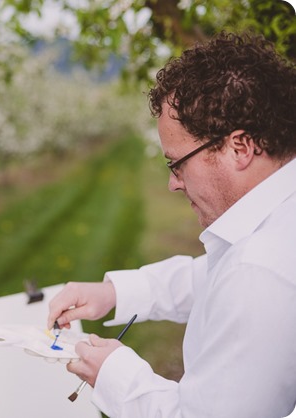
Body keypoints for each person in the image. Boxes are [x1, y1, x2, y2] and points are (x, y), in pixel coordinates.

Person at [47, 32, 296, 418]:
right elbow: (212, 280)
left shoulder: (259, 271)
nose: (173, 183)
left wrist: (114, 375)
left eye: (177, 162)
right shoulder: (272, 226)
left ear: (240, 147)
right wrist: (112, 293)